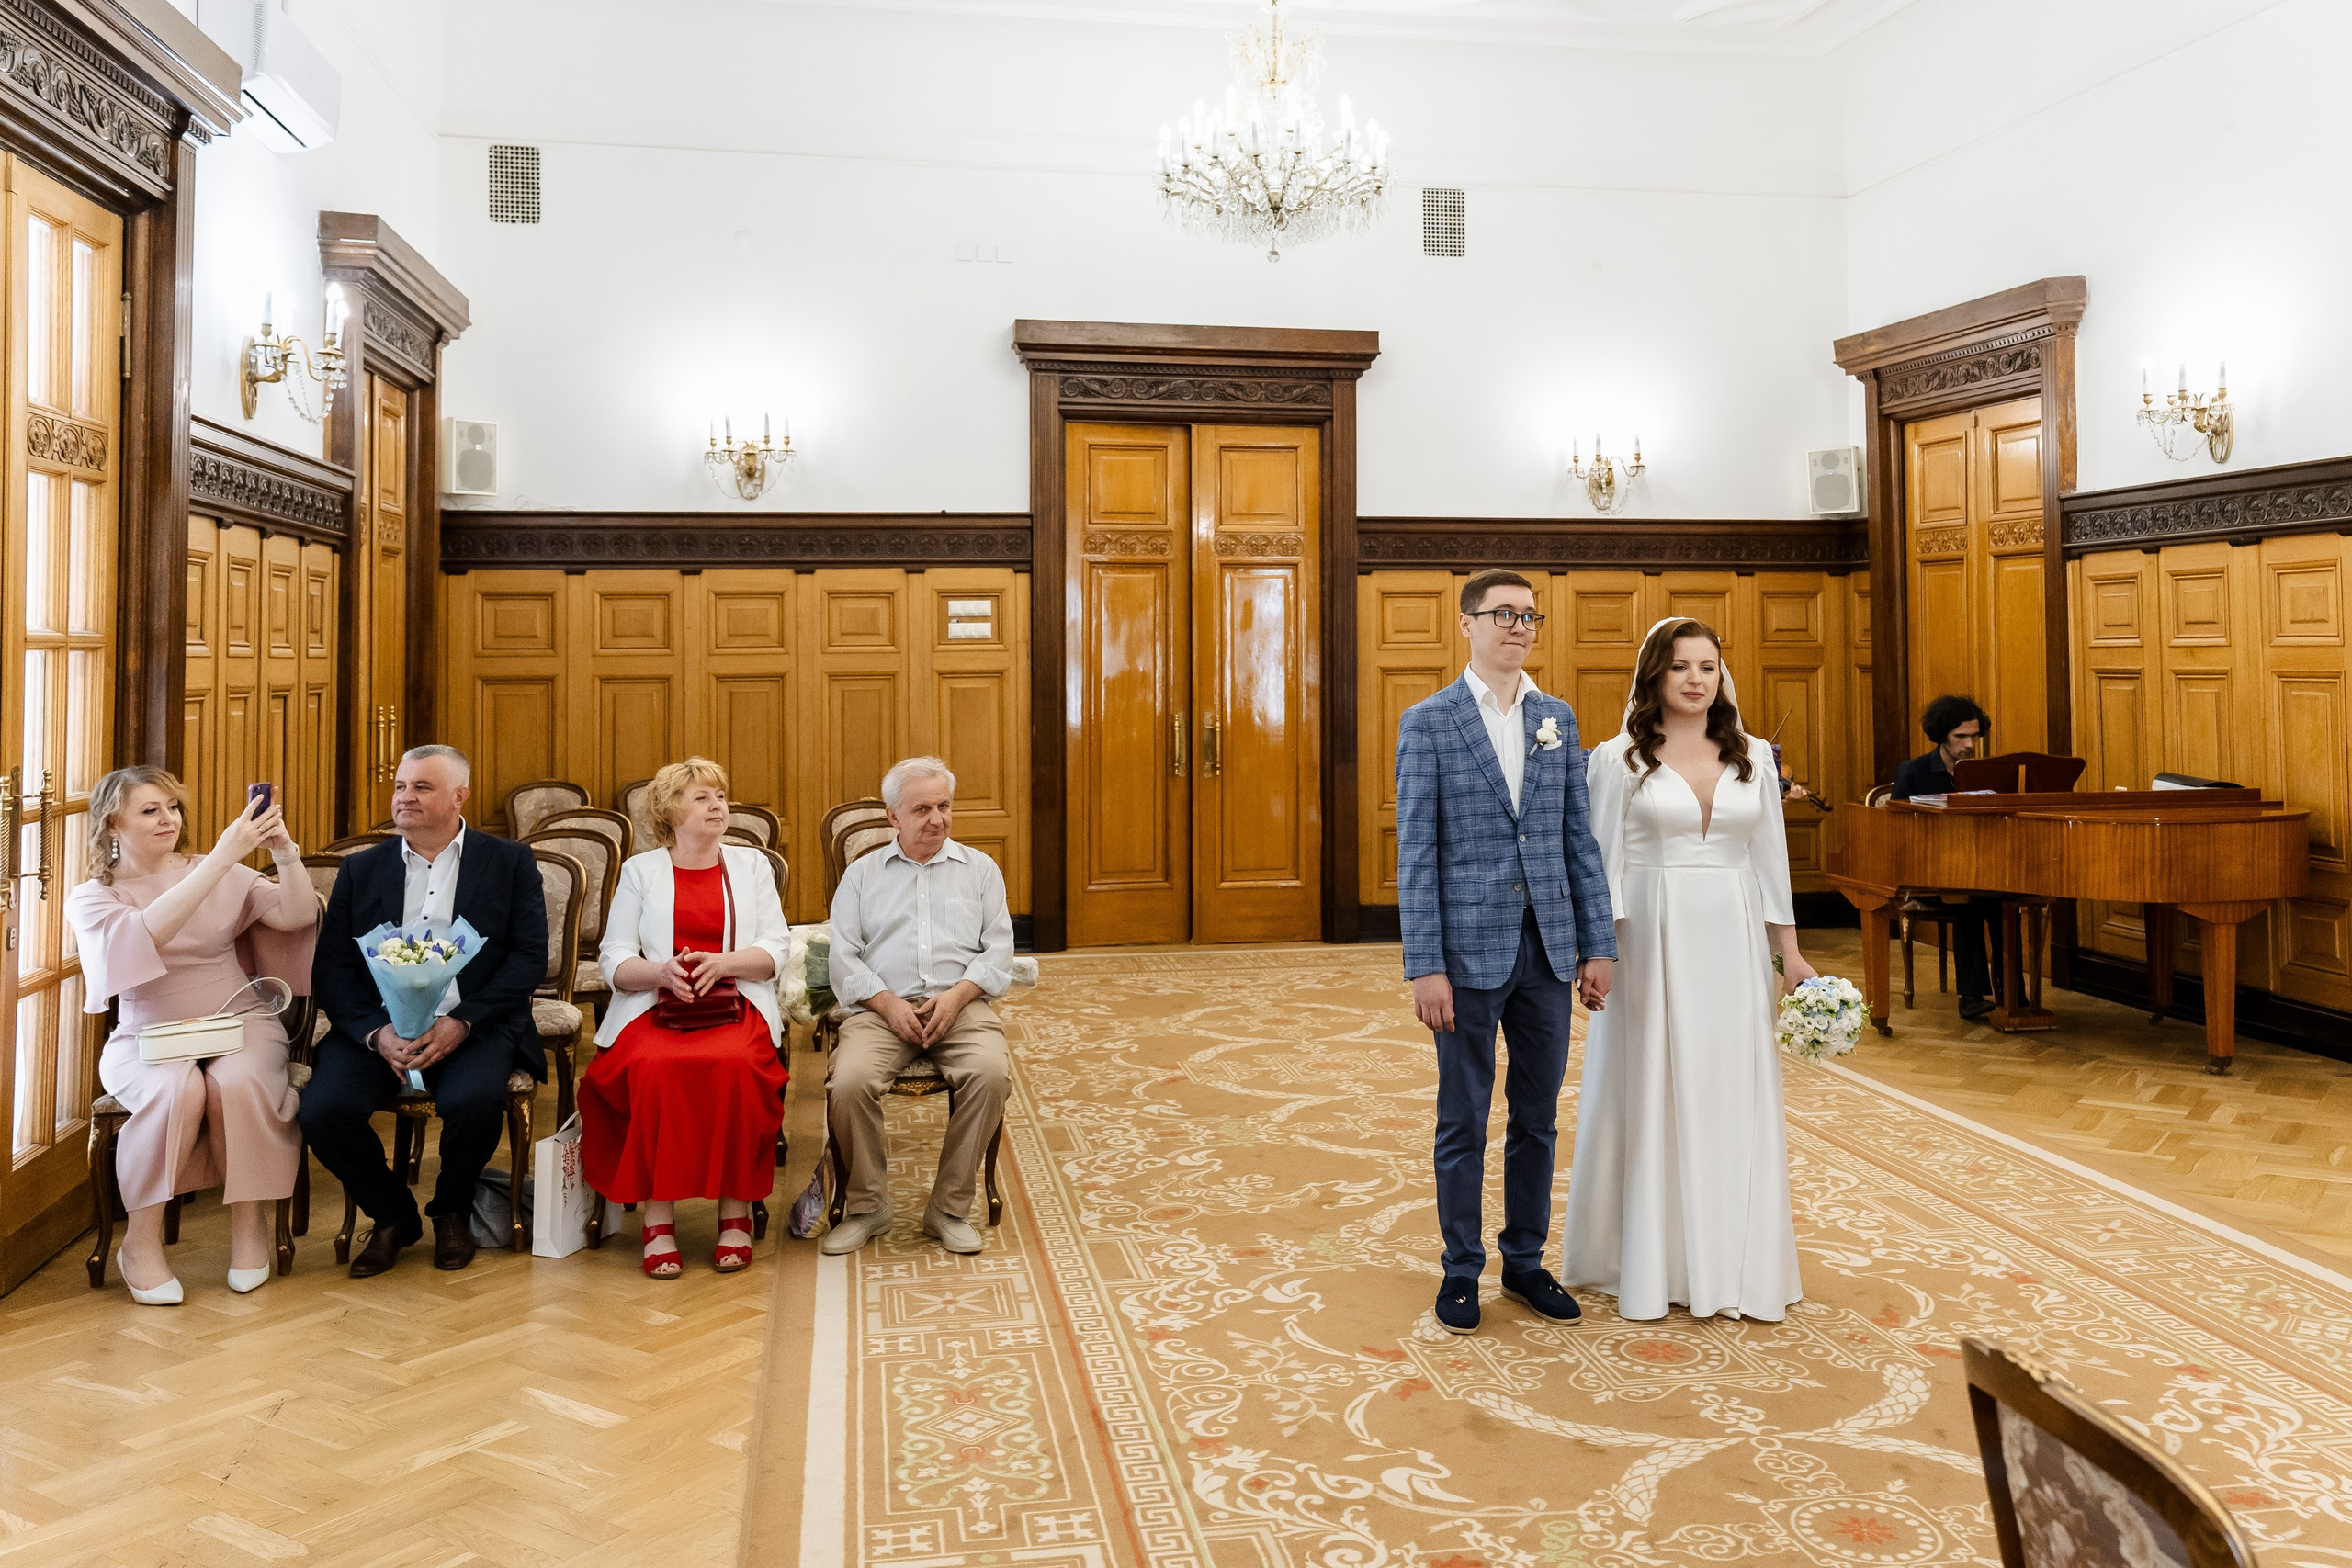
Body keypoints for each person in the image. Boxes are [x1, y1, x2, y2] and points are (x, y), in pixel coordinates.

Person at [1562, 618, 1815, 1323]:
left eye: (1708, 665)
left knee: (1729, 1088)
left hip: (1733, 945)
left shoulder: (1754, 757)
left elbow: (1770, 863)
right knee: (1651, 1085)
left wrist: (1788, 955)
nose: (1697, 679)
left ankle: (1735, 1257)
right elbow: (1602, 862)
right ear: (1655, 677)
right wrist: (1597, 951)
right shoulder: (1618, 760)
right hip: (1648, 940)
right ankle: (1649, 1258)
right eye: (1681, 667)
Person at [1396, 568, 1616, 1337]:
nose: (1519, 627)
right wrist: (1425, 964)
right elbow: (1417, 855)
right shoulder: (1428, 721)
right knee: (1462, 1117)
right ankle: (1462, 1270)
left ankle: (1524, 1259)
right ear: (1468, 623)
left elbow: (1576, 840)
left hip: (1548, 952)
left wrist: (1598, 943)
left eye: (1530, 615)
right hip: (1462, 956)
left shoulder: (1556, 717)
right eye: (1504, 614)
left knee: (1537, 1117)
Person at [67, 769, 319, 1304]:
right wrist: (225, 858)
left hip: (241, 1017)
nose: (169, 820)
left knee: (241, 1083)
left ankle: (249, 1227)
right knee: (177, 1091)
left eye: (173, 807)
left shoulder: (212, 868)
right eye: (150, 810)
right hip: (147, 1031)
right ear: (113, 822)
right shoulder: (93, 896)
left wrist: (284, 851)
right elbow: (146, 934)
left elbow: (297, 914)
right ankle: (139, 1241)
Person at [300, 745, 549, 1276]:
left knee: (476, 1100)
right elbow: (333, 970)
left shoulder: (508, 862)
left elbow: (529, 958)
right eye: (400, 786)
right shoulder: (362, 871)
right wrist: (375, 1034)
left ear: (460, 796)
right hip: (378, 1028)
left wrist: (462, 1022)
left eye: (421, 787)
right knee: (322, 1110)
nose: (404, 797)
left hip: (473, 1024)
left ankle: (452, 1210)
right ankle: (392, 1216)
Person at [582, 757, 790, 1277]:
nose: (718, 806)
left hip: (736, 1004)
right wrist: (662, 974)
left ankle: (735, 1213)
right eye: (703, 798)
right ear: (671, 810)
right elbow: (614, 957)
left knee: (737, 1068)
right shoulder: (640, 871)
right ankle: (658, 1218)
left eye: (720, 796)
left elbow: (776, 947)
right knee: (653, 1069)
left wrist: (725, 964)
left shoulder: (752, 866)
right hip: (656, 1010)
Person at [823, 756, 1014, 1258]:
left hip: (962, 1003)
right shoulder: (862, 876)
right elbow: (842, 957)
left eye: (944, 806)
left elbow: (999, 953)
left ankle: (948, 1210)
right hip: (880, 1009)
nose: (937, 818)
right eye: (923, 808)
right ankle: (868, 1207)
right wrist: (886, 1004)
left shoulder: (981, 870)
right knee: (848, 1082)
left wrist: (959, 996)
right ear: (893, 817)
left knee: (990, 1074)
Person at [1890, 694, 2000, 1020]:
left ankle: (2015, 995)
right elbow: (1896, 826)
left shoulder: (1985, 772)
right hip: (1927, 870)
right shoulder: (1915, 771)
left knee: (2000, 899)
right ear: (1942, 736)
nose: (1969, 744)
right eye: (1961, 737)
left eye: (1974, 736)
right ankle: (1972, 995)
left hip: (1977, 865)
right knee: (1964, 897)